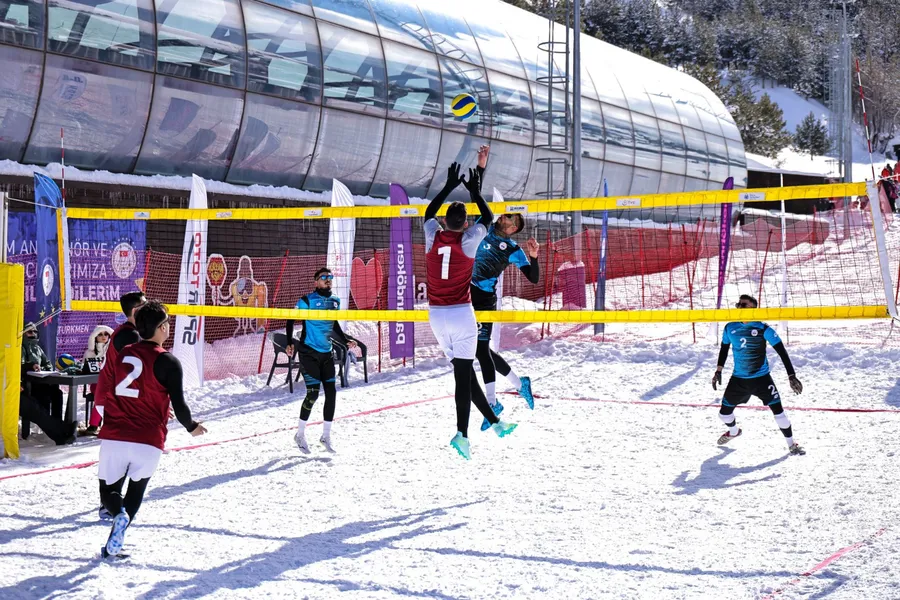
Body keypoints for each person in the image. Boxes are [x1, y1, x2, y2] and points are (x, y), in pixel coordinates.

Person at [97, 300, 207, 558]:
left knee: (109, 492)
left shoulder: (124, 353)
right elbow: (180, 405)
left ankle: (118, 514)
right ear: (162, 328)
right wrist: (191, 426)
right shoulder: (169, 361)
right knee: (136, 490)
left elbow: (122, 387)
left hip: (116, 434)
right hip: (148, 439)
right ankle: (115, 542)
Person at [424, 160, 517, 460]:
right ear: (465, 224)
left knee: (464, 373)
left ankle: (495, 422)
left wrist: (449, 186)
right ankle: (461, 434)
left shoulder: (432, 236)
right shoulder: (469, 241)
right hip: (461, 314)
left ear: (443, 221)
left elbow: (428, 213)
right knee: (462, 376)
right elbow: (488, 217)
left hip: (436, 316)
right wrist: (475, 191)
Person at [470, 147, 540, 430]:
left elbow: (533, 278)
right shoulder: (485, 226)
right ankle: (519, 384)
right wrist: (481, 165)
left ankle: (494, 401)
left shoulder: (513, 249)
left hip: (484, 300)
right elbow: (476, 195)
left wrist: (534, 256)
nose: (505, 217)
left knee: (480, 351)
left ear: (514, 229)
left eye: (511, 219)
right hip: (467, 294)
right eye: (506, 215)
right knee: (480, 351)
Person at [712, 294, 805, 456]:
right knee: (723, 415)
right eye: (738, 304)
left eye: (743, 305)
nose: (739, 307)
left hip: (762, 379)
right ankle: (734, 431)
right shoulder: (729, 327)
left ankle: (792, 444)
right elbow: (724, 349)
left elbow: (781, 351)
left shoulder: (763, 328)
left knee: (779, 412)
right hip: (739, 379)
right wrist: (718, 371)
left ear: (753, 309)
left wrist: (791, 375)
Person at [285, 267, 356, 454]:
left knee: (331, 393)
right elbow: (290, 319)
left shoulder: (335, 301)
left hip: (326, 353)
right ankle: (300, 434)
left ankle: (325, 436)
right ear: (315, 281)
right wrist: (289, 342)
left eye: (330, 277)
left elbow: (333, 324)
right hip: (308, 352)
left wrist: (345, 340)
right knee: (313, 394)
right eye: (323, 277)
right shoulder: (307, 300)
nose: (328, 279)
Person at [20, 322, 63, 420]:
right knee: (44, 396)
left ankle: (58, 422)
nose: (33, 334)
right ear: (24, 333)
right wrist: (31, 366)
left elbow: (48, 364)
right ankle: (47, 423)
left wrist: (41, 369)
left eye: (35, 332)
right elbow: (20, 366)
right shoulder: (21, 347)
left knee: (57, 393)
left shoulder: (37, 348)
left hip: (42, 381)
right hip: (30, 383)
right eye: (30, 332)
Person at [79, 325, 113, 436]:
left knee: (106, 395)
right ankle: (94, 426)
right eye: (100, 334)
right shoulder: (89, 353)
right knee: (103, 394)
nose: (104, 336)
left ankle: (96, 425)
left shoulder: (113, 351)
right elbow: (84, 368)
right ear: (94, 336)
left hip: (111, 383)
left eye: (106, 334)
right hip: (95, 383)